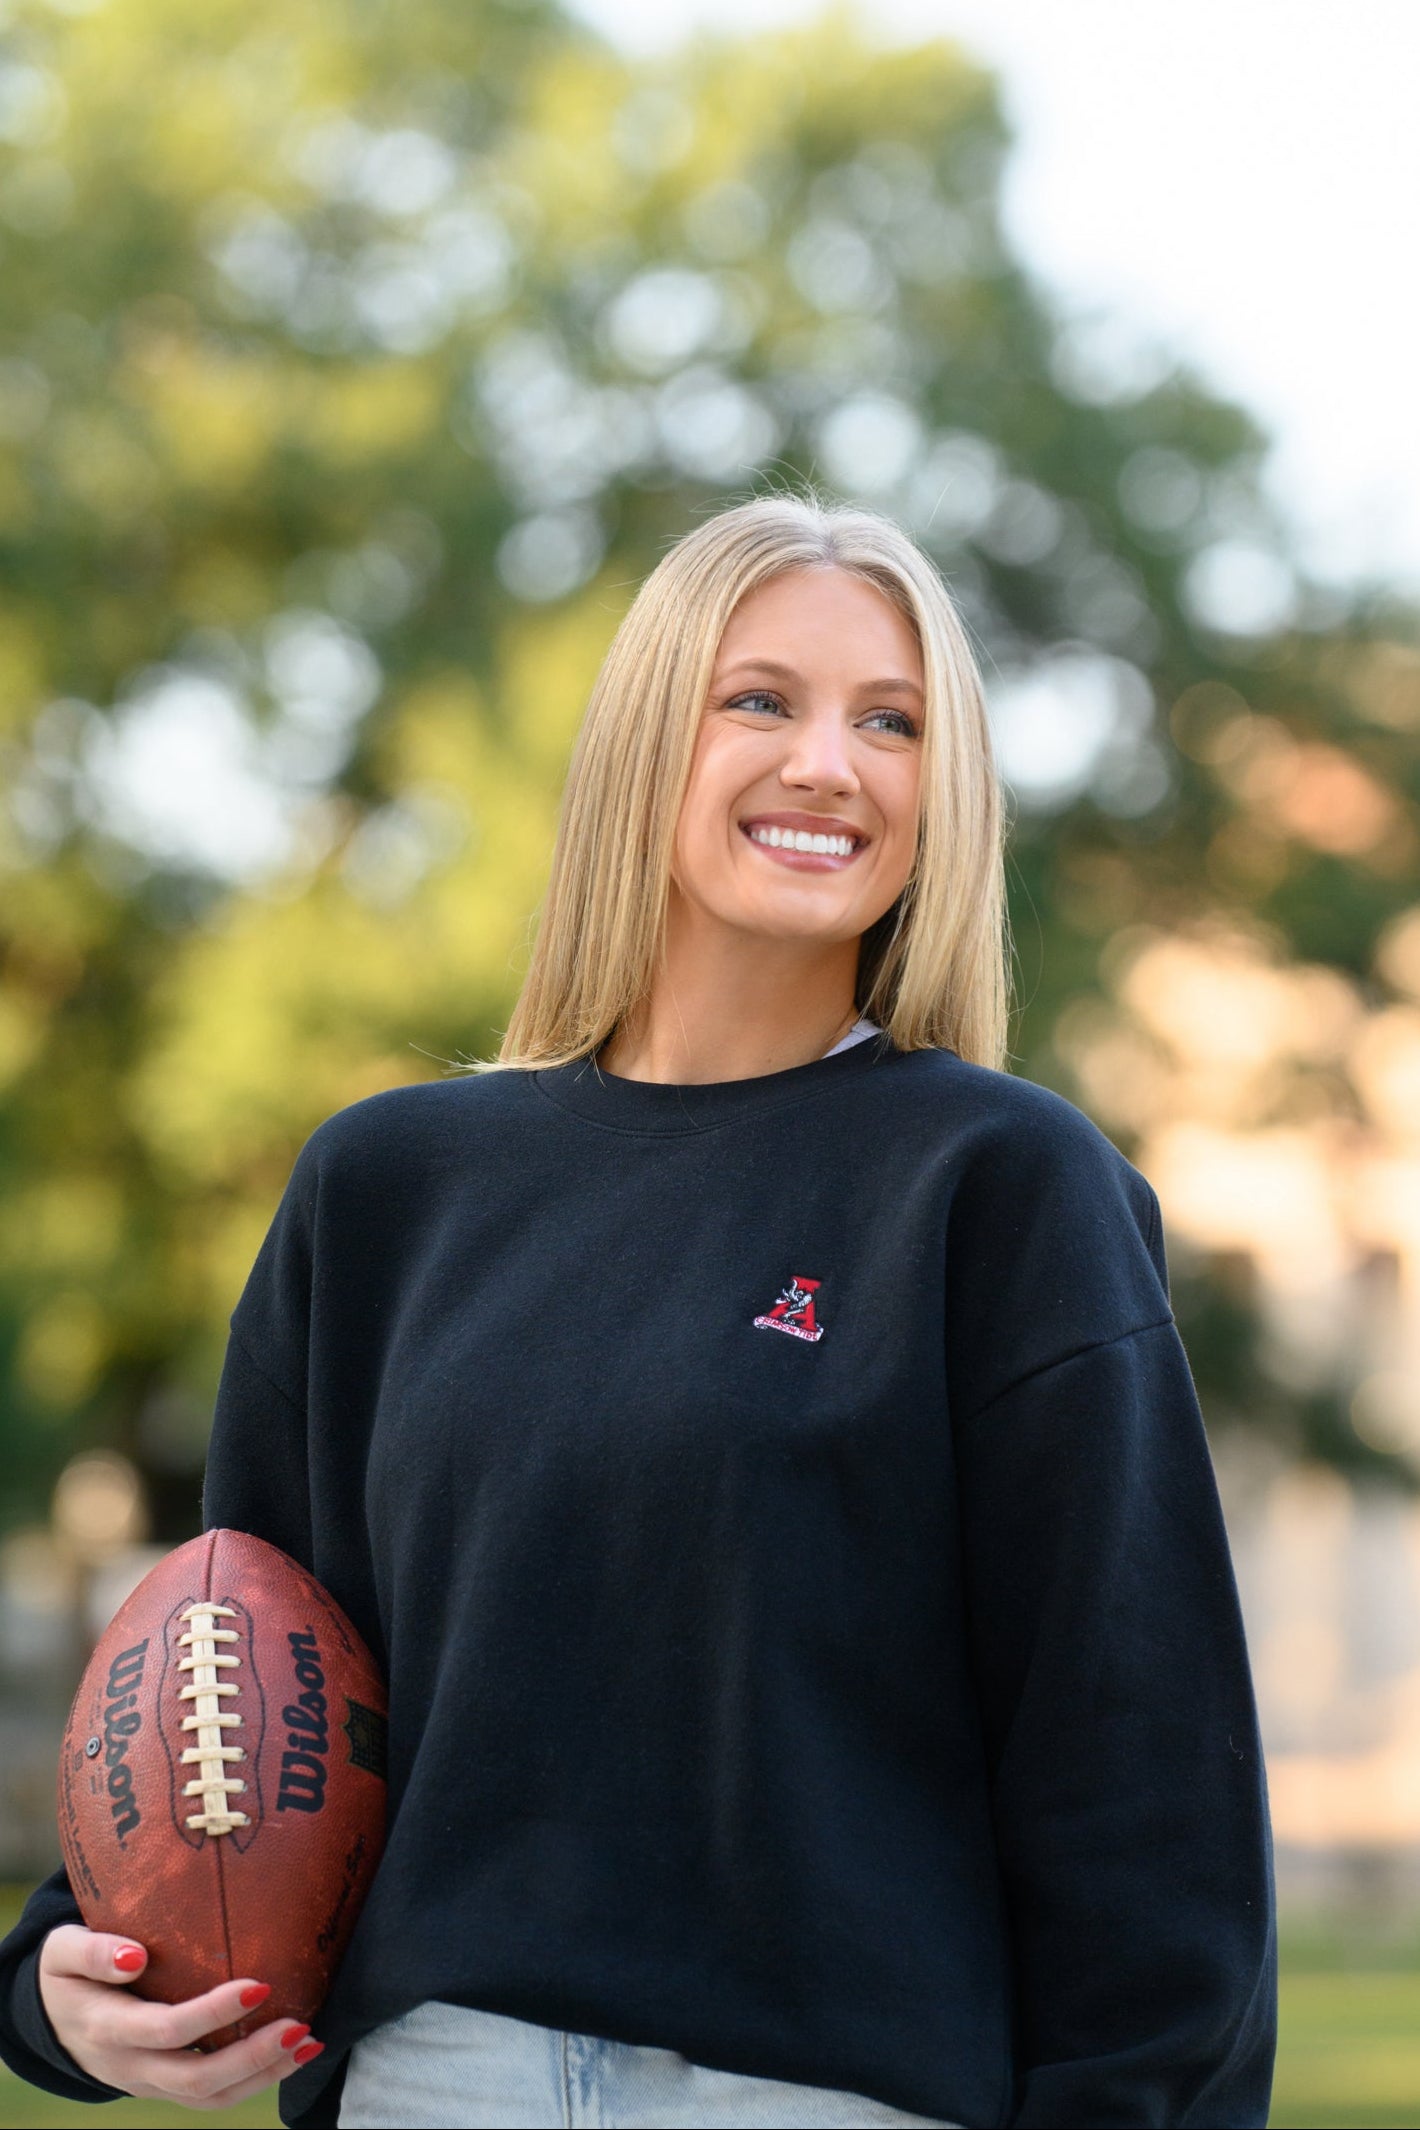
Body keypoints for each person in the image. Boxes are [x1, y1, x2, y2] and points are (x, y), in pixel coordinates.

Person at [0, 493, 1276, 2128]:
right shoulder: (389, 1190)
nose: (832, 763)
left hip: (822, 2097)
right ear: (640, 747)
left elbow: (1139, 1773)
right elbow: (230, 1678)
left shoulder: (1002, 1185)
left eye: (893, 723)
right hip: (428, 2082)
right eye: (761, 700)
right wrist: (69, 1968)